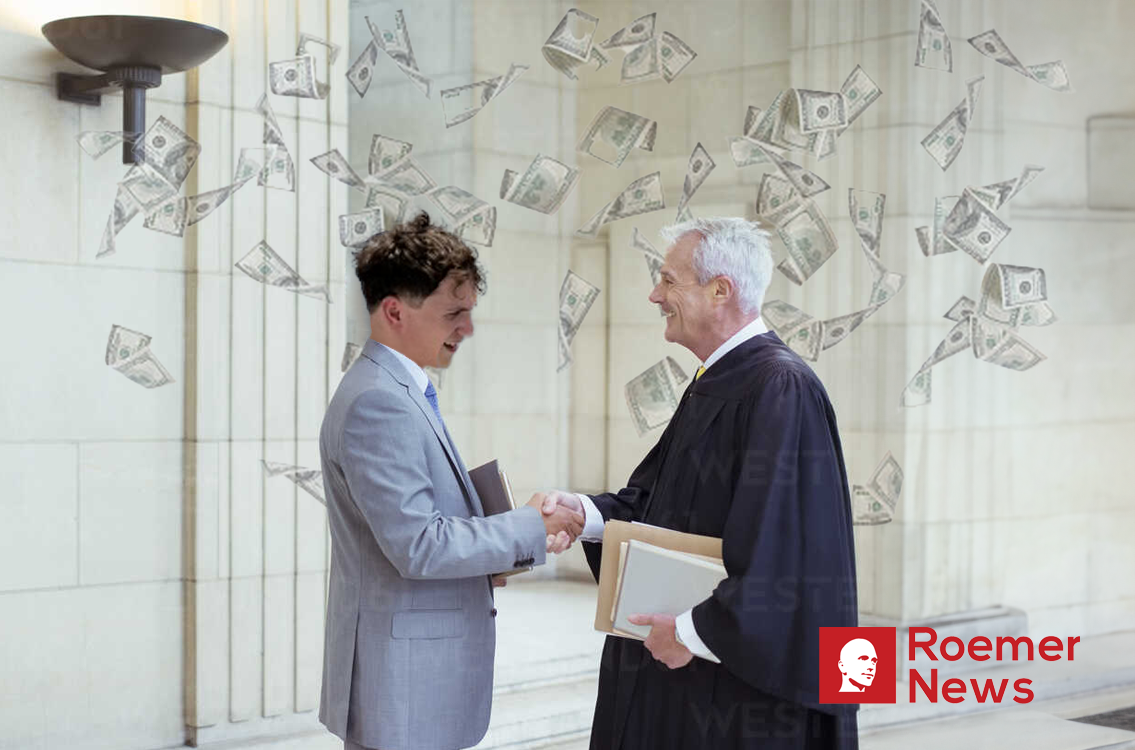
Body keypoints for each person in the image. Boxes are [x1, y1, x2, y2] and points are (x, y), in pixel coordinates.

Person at [539, 217, 859, 749]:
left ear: (720, 291)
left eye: (668, 280)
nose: (654, 295)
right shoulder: (719, 379)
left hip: (734, 692)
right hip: (686, 676)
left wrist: (691, 633)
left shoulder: (780, 387)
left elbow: (785, 552)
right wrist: (582, 514)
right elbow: (658, 502)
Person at [318, 213, 585, 750]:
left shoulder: (399, 389)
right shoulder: (380, 402)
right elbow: (419, 544)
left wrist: (493, 555)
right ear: (394, 311)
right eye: (454, 314)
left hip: (411, 685)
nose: (467, 329)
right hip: (405, 689)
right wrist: (530, 525)